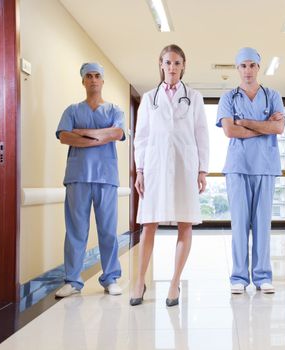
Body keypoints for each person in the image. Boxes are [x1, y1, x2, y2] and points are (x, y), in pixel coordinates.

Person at [132, 44, 209, 307]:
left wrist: (202, 169)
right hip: (154, 166)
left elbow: (201, 135)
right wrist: (140, 170)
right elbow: (141, 137)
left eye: (177, 63)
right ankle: (139, 281)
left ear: (183, 66)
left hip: (184, 166)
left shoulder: (194, 97)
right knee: (149, 224)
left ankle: (175, 283)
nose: (172, 67)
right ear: (160, 64)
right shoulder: (148, 98)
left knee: (185, 222)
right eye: (168, 62)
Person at [216, 47, 285, 295]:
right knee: (240, 224)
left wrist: (245, 122)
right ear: (237, 69)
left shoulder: (273, 95)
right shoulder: (228, 98)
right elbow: (229, 131)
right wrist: (264, 126)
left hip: (265, 167)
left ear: (259, 67)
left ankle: (263, 276)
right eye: (243, 66)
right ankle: (238, 277)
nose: (247, 70)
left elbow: (279, 129)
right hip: (238, 167)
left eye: (252, 65)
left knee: (262, 224)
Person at [55, 62, 125, 298]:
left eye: (97, 76)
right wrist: (100, 137)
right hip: (78, 177)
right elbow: (64, 136)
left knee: (108, 231)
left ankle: (111, 278)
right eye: (89, 76)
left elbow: (117, 133)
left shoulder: (115, 110)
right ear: (83, 81)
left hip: (106, 177)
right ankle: (73, 281)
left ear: (103, 81)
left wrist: (84, 133)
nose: (93, 80)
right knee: (76, 230)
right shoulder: (72, 110)